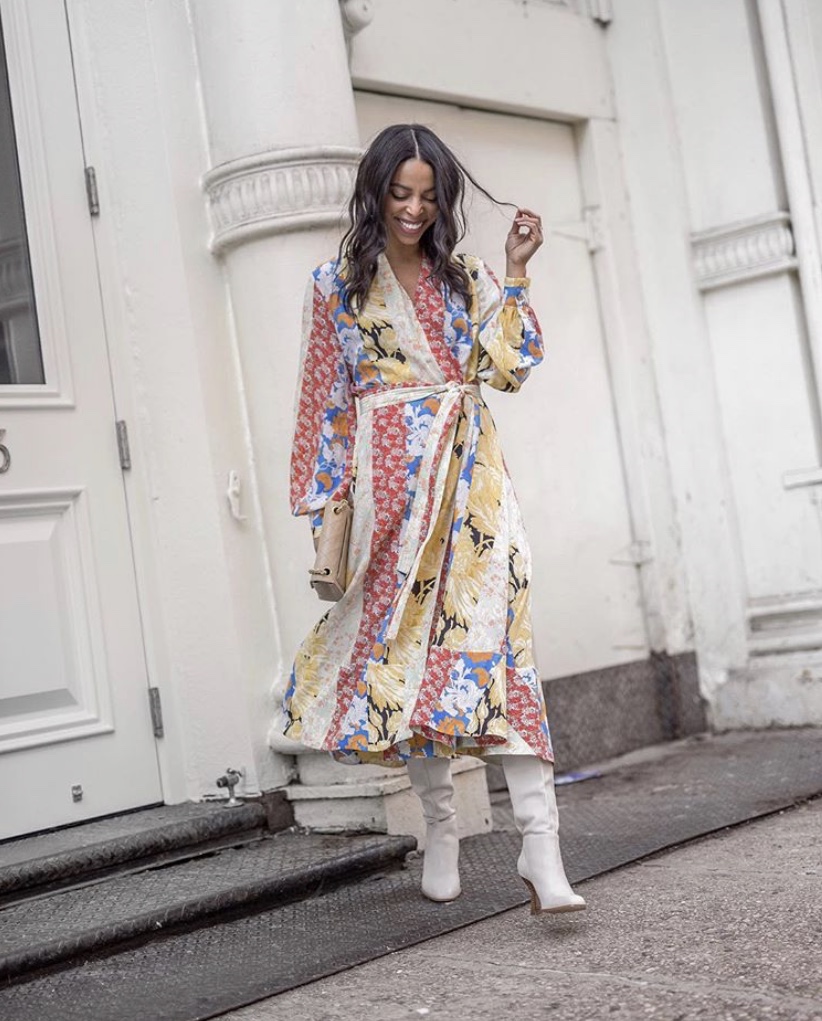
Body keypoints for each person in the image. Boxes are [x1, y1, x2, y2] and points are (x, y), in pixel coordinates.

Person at [283, 123, 585, 915]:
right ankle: (442, 826)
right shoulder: (335, 286)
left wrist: (516, 272)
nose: (414, 209)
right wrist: (325, 510)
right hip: (390, 496)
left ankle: (541, 845)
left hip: (475, 489)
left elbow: (509, 370)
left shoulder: (467, 278)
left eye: (427, 195)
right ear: (375, 193)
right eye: (399, 193)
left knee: (503, 652)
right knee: (407, 666)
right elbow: (324, 402)